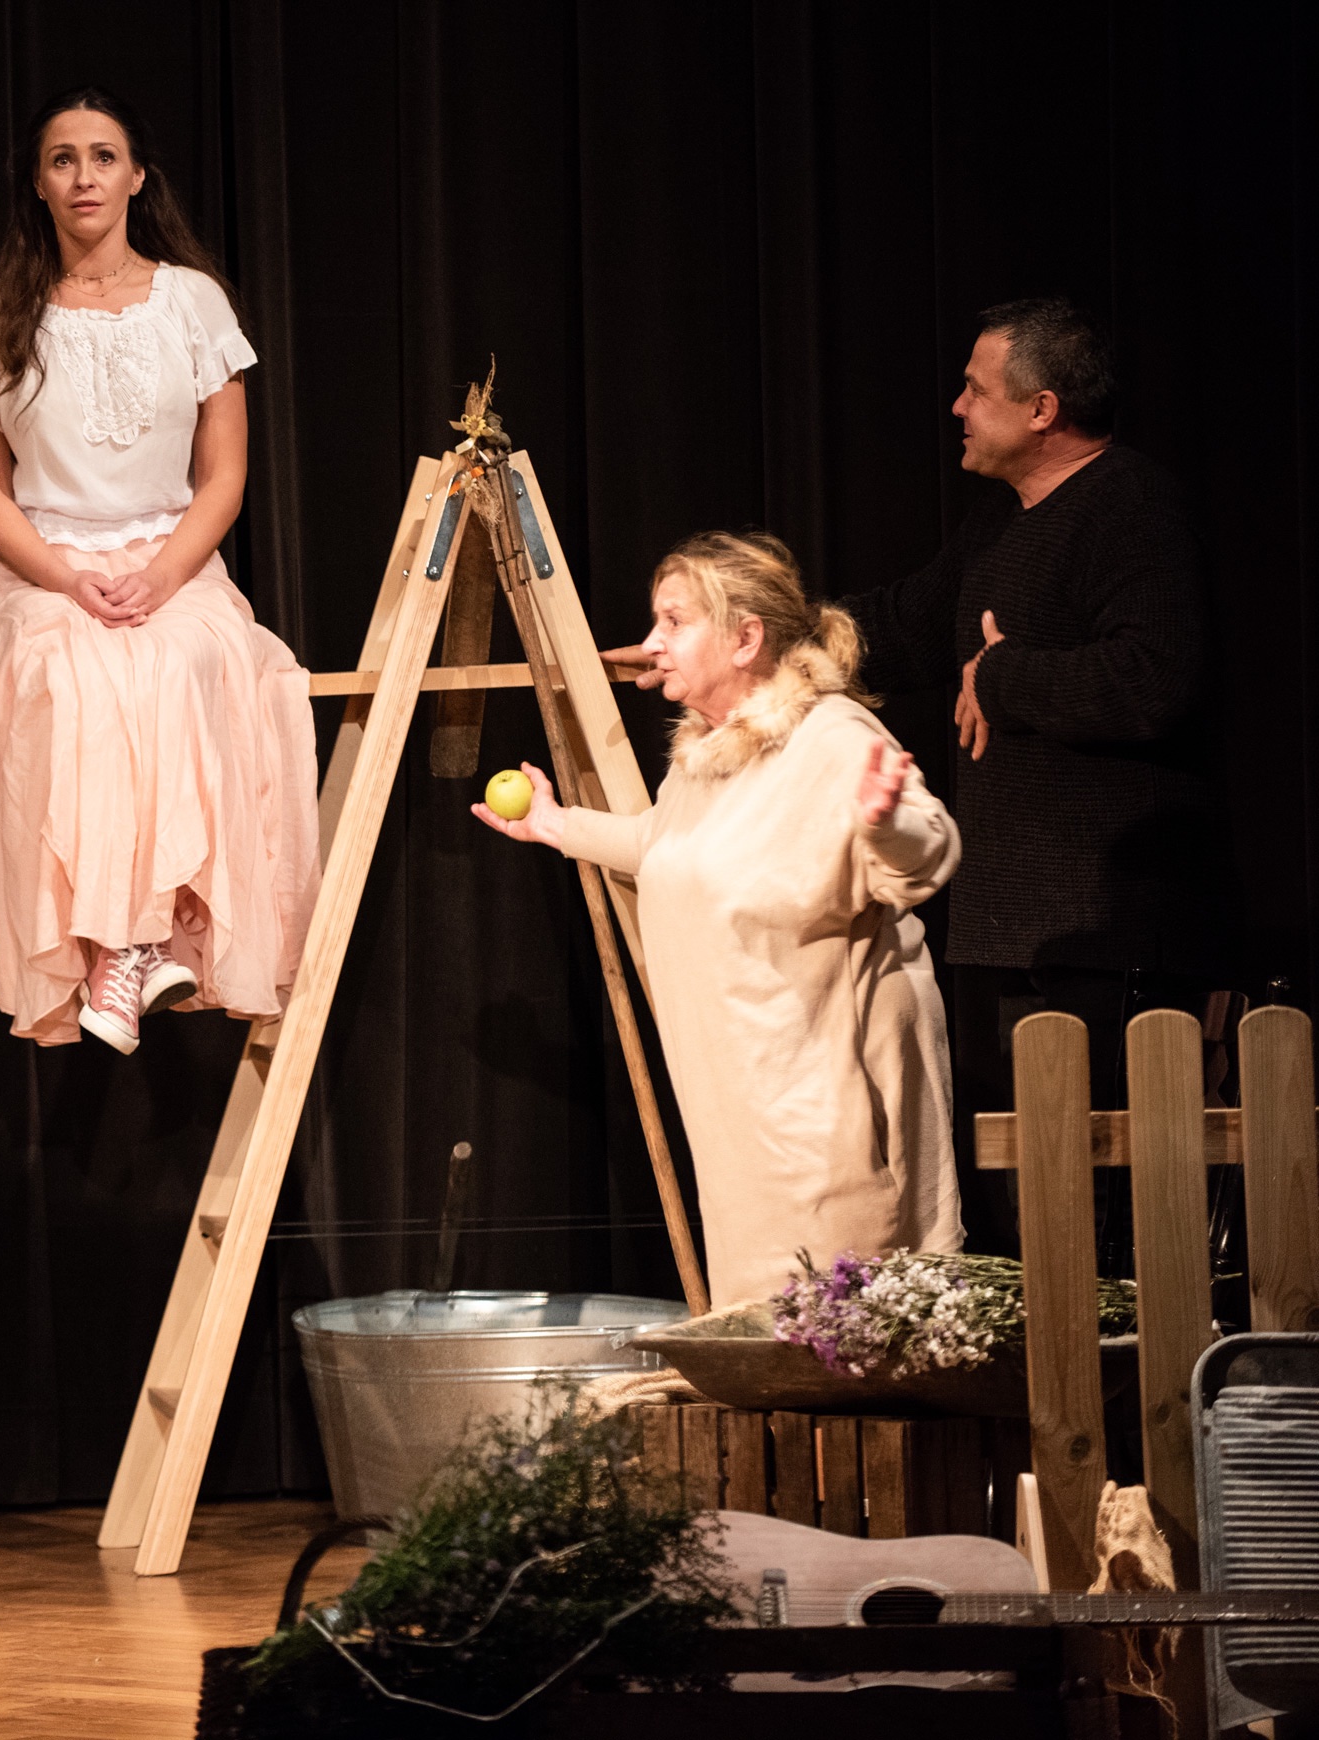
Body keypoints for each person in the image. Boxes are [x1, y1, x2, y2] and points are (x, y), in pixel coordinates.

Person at [481, 533, 965, 1306]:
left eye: (674, 622)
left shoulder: (830, 737)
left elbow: (927, 854)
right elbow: (669, 846)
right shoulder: (710, 751)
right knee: (764, 1315)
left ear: (746, 639)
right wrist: (556, 826)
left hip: (819, 1103)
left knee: (837, 1317)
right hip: (741, 1105)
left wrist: (885, 823)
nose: (652, 644)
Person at [830, 300, 1220, 1250]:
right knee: (1032, 1214)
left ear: (1042, 409)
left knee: (1104, 1217)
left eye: (976, 389)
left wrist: (1002, 676)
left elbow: (1155, 679)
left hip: (1108, 934)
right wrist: (757, 641)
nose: (957, 407)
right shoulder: (999, 527)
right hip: (1015, 925)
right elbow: (903, 624)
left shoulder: (1132, 505)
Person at [0, 89, 319, 1053]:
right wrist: (67, 578)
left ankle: (140, 942)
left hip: (173, 560)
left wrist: (161, 575)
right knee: (73, 674)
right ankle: (126, 948)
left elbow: (224, 476)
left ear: (137, 176)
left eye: (103, 156)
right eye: (63, 159)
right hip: (44, 566)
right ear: (38, 183)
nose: (84, 176)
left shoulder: (192, 301)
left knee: (181, 662)